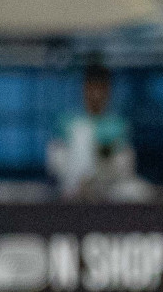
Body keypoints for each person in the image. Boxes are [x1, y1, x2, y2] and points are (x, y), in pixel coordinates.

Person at [46, 62, 149, 201]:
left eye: (101, 88)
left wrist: (101, 155)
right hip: (74, 184)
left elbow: (124, 164)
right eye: (91, 87)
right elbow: (56, 160)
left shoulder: (117, 125)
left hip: (107, 184)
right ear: (84, 89)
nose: (96, 94)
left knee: (139, 191)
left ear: (108, 90)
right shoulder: (68, 122)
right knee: (80, 132)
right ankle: (78, 190)